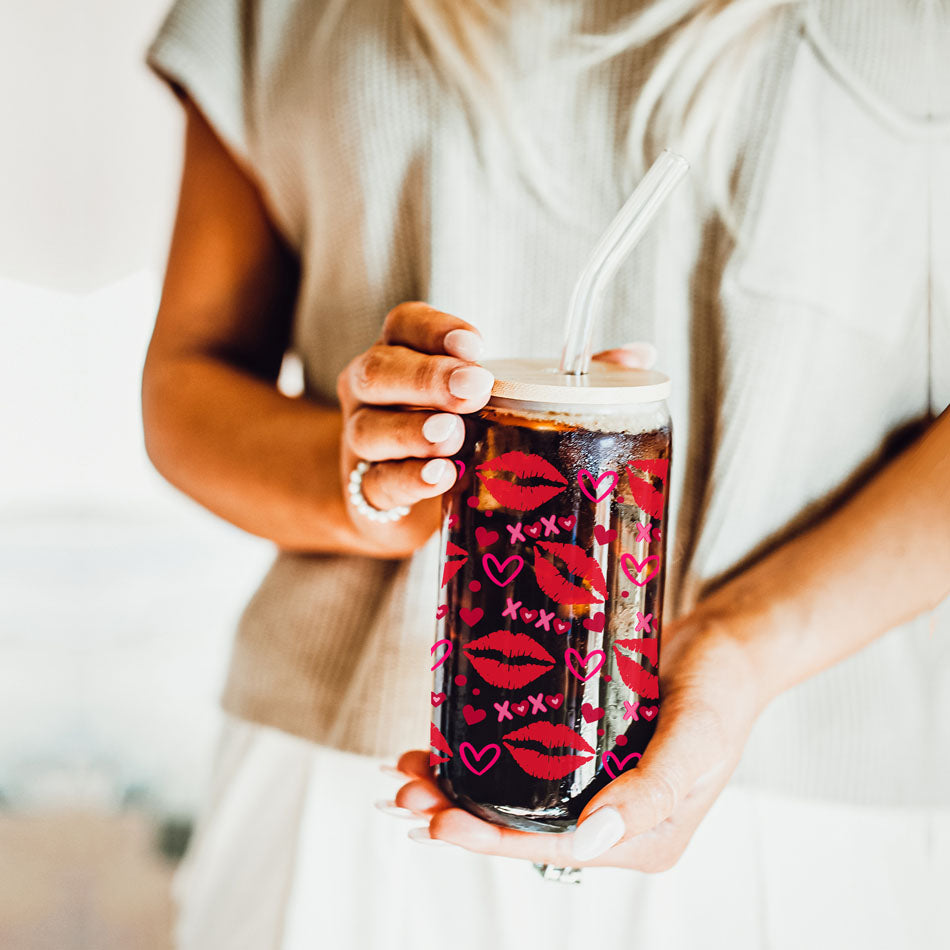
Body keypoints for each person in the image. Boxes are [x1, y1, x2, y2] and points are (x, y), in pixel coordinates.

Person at [142, 0, 950, 947]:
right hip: (344, 785)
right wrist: (374, 481)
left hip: (808, 811)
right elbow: (188, 378)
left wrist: (742, 643)